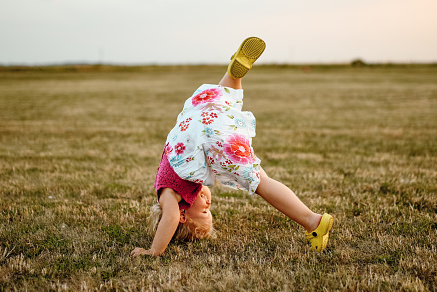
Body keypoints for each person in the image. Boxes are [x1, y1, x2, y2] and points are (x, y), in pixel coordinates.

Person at [130, 37, 333, 257]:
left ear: (183, 215)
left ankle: (313, 221)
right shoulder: (183, 184)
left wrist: (154, 250)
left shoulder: (167, 195)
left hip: (208, 136)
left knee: (261, 182)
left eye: (205, 209)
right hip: (193, 123)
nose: (208, 201)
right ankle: (233, 75)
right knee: (221, 99)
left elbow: (169, 218)